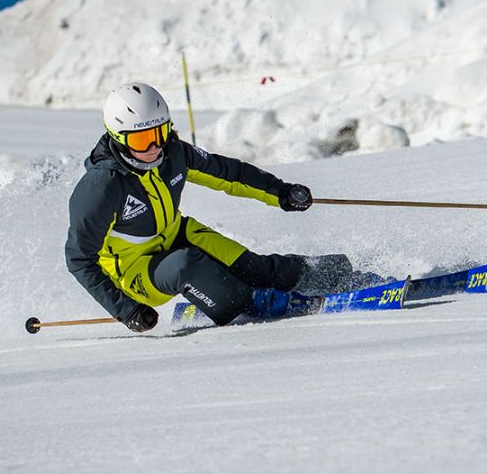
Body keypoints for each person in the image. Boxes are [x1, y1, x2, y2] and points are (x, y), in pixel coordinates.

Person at [65, 82, 350, 332]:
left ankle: (325, 272)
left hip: (177, 234)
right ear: (118, 139)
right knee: (186, 265)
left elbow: (228, 174)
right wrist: (127, 310)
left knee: (256, 268)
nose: (154, 147)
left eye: (160, 132)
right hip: (134, 271)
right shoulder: (101, 187)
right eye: (141, 139)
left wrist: (280, 192)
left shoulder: (172, 154)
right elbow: (79, 259)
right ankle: (255, 301)